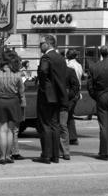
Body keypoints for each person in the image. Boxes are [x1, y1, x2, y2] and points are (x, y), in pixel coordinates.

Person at [33, 35, 68, 164]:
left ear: (48, 44)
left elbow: (43, 71)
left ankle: (46, 155)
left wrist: (43, 87)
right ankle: (55, 155)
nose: (39, 46)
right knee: (55, 125)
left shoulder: (46, 57)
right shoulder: (60, 58)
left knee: (45, 125)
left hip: (47, 96)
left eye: (41, 43)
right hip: (58, 96)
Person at [0, 49, 26, 164]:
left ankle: (1, 156)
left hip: (0, 101)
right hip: (13, 102)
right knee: (10, 130)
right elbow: (21, 92)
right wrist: (22, 104)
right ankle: (8, 156)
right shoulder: (17, 74)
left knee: (2, 130)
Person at [59, 67, 80, 160]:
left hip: (64, 103)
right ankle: (59, 151)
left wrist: (67, 96)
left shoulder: (69, 71)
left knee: (63, 126)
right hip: (54, 102)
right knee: (59, 126)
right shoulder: (53, 70)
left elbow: (75, 86)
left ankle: (65, 151)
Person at [66, 49, 83, 145]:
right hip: (76, 92)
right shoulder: (79, 65)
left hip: (72, 93)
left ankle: (70, 137)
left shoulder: (69, 65)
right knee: (69, 115)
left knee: (66, 114)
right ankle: (72, 137)